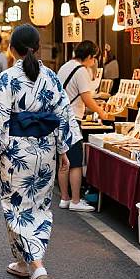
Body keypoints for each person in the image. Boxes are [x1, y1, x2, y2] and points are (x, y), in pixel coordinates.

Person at [0, 24, 81, 279]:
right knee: (39, 207)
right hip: (45, 151)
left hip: (16, 152)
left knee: (16, 208)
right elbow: (62, 116)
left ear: (12, 49)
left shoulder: (8, 78)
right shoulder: (51, 78)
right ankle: (24, 263)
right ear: (37, 47)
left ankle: (36, 265)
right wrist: (63, 151)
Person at [57, 40, 108, 212]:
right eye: (94, 58)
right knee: (76, 163)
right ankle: (76, 201)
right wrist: (102, 113)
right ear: (88, 56)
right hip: (71, 121)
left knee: (63, 161)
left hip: (59, 119)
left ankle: (65, 198)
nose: (94, 61)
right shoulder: (81, 71)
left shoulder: (65, 67)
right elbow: (87, 98)